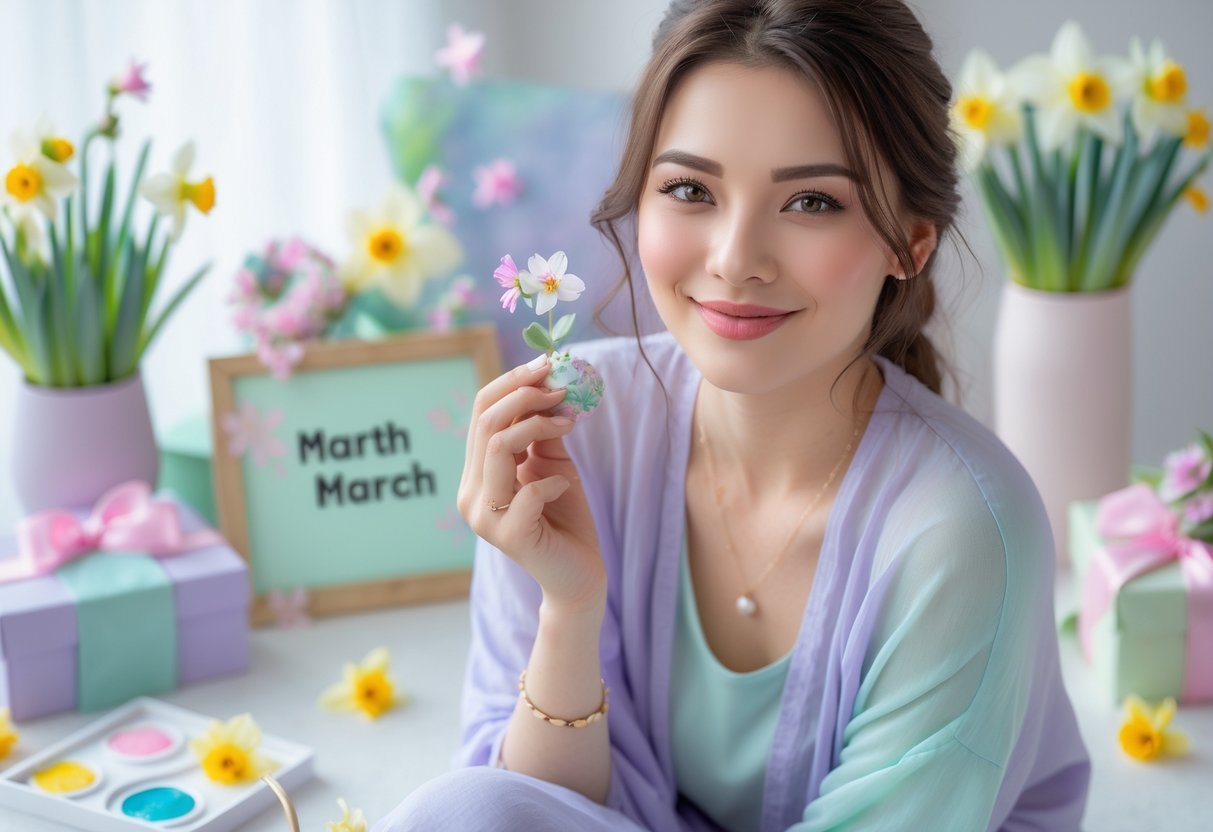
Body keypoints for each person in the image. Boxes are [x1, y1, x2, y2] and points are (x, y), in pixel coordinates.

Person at [374, 0, 1090, 829]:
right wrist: (568, 609)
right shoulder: (571, 430)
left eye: (812, 202)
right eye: (689, 189)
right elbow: (528, 810)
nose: (735, 259)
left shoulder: (961, 528)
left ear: (910, 242)